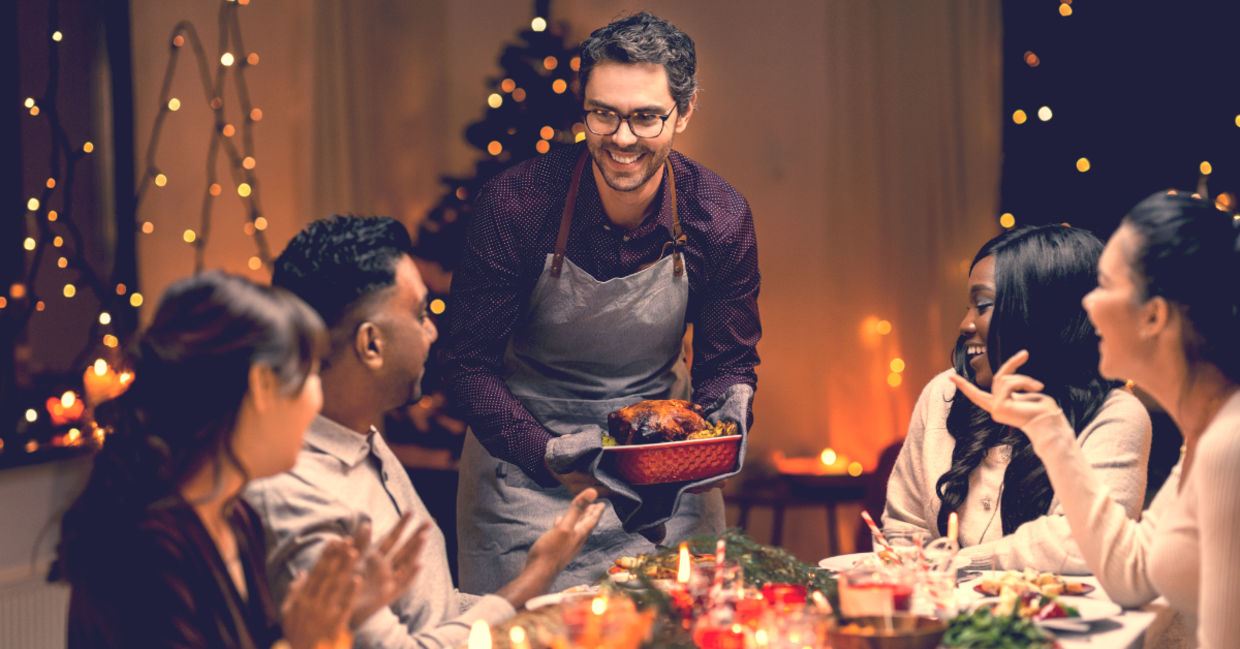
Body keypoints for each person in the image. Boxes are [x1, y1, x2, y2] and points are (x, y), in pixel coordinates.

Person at [445, 11, 761, 593]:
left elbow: (727, 364)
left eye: (646, 117)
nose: (621, 137)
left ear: (684, 112)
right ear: (584, 107)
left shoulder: (718, 216)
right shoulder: (515, 205)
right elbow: (465, 365)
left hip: (661, 485)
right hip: (522, 486)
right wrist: (549, 456)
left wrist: (720, 428)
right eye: (603, 114)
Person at [244, 215, 606, 649]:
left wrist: (554, 607)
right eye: (420, 314)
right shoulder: (297, 495)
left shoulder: (363, 440)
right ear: (370, 344)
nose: (433, 331)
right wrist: (533, 580)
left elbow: (427, 614)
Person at [56, 271, 424, 649]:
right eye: (312, 374)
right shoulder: (146, 551)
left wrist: (345, 618)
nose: (318, 399)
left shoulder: (236, 519)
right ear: (262, 385)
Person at [954, 191, 1240, 648]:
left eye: (1105, 286)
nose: (1087, 306)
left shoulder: (1230, 444)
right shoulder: (1206, 435)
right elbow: (1133, 574)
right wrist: (1050, 432)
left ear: (1153, 315)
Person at [883, 224, 1152, 572]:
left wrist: (955, 563)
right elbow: (903, 528)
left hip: (1061, 624)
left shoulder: (1115, 415)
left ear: (1042, 315)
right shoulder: (946, 393)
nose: (965, 324)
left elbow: (1082, 544)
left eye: (983, 305)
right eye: (968, 306)